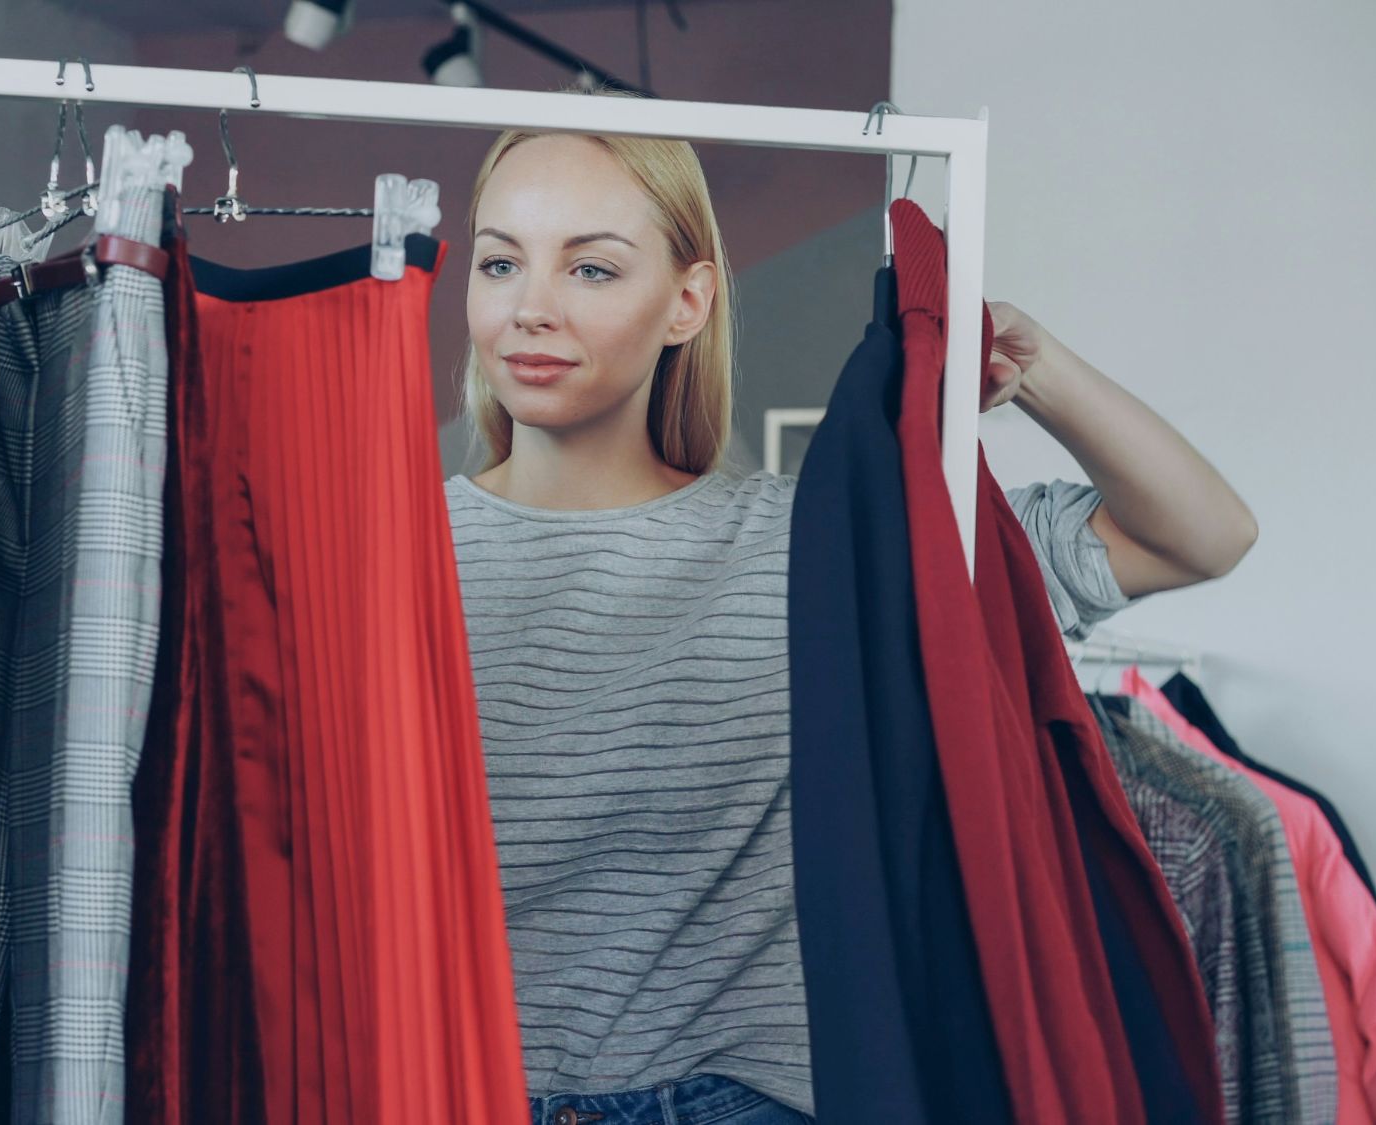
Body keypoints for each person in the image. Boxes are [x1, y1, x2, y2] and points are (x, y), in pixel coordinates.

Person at [441, 104, 1259, 1125]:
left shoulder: (816, 546)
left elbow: (1200, 534)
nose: (529, 308)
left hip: (739, 1102)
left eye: (591, 268)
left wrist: (1032, 362)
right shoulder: (392, 554)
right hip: (453, 1090)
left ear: (686, 301)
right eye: (498, 263)